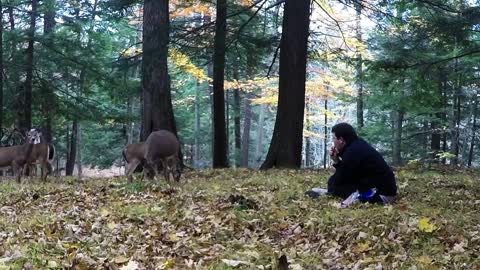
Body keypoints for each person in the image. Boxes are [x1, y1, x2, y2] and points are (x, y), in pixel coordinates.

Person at [305, 123, 397, 205]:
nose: (333, 141)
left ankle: (330, 194)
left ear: (341, 139)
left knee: (336, 185)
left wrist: (336, 162)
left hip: (381, 194)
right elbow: (349, 172)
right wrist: (336, 159)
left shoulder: (353, 152)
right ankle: (330, 192)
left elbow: (341, 178)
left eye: (333, 138)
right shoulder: (357, 145)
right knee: (336, 184)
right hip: (382, 188)